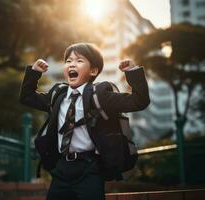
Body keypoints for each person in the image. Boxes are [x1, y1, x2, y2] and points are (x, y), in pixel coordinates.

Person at [19, 42, 150, 200]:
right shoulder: (57, 96)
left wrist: (133, 72)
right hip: (62, 168)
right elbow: (27, 97)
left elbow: (139, 101)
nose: (72, 64)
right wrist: (34, 73)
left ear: (93, 70)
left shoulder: (100, 95)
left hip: (90, 168)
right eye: (68, 61)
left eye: (79, 60)